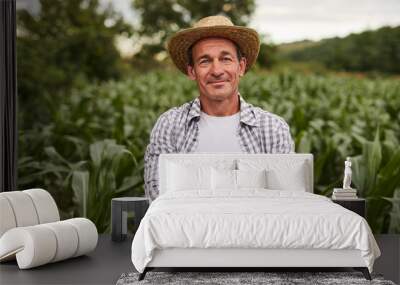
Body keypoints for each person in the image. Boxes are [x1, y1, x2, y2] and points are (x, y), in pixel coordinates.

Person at [144, 15, 295, 201]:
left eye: (225, 59)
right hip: (189, 229)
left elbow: (286, 198)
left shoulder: (273, 128)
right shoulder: (170, 125)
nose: (216, 71)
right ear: (192, 71)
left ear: (240, 66)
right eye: (205, 61)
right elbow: (157, 195)